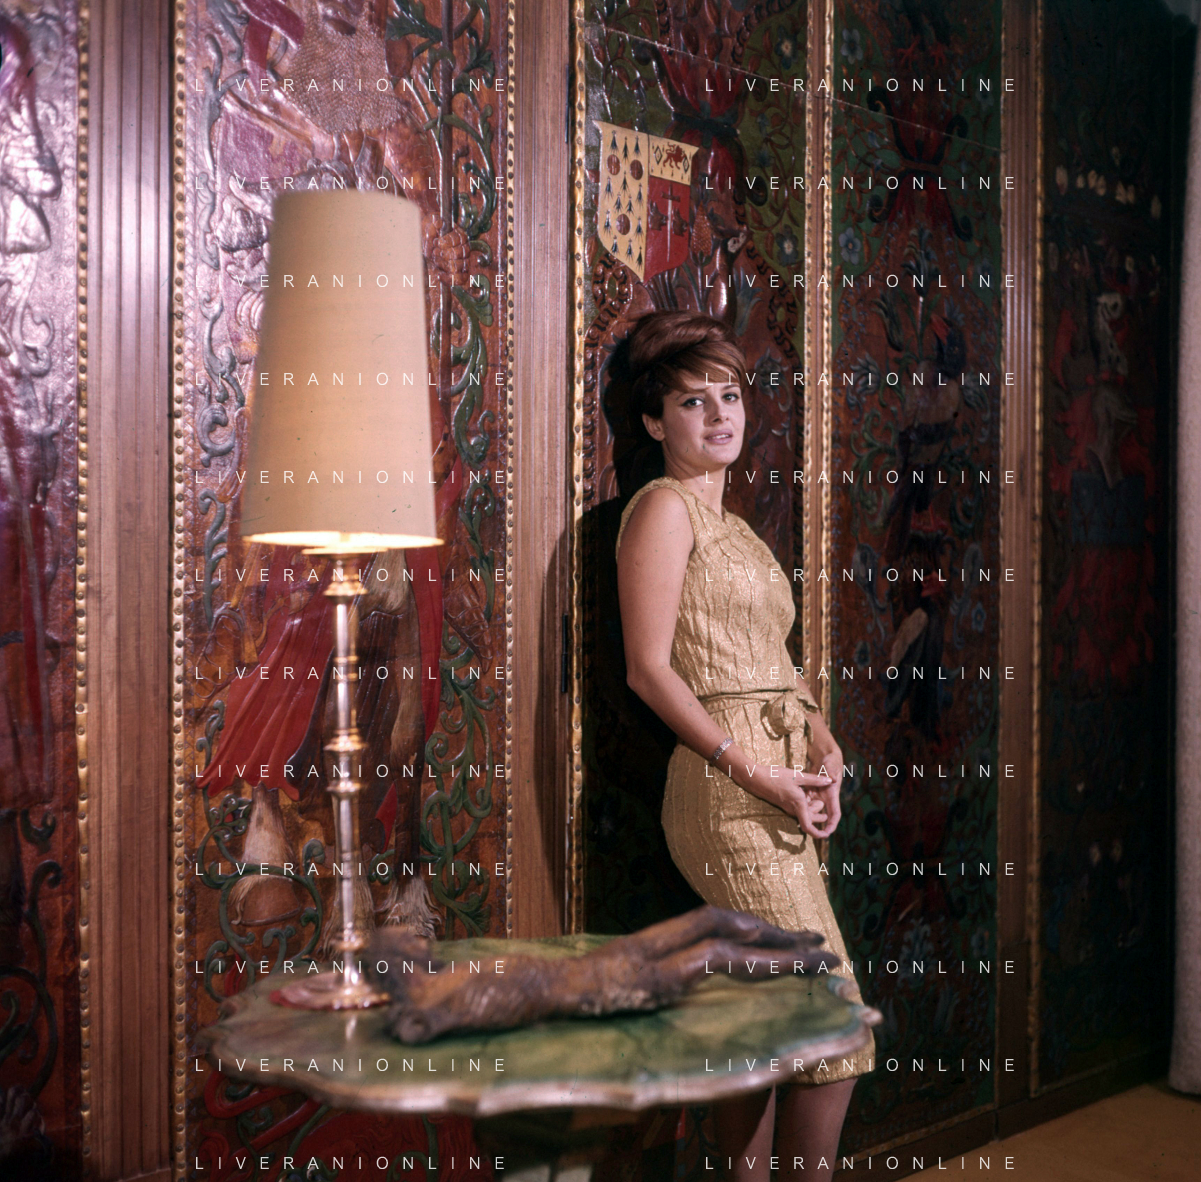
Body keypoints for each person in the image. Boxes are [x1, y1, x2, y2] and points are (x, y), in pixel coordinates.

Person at [614, 310, 874, 1178]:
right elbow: (649, 670)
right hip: (723, 790)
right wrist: (750, 768)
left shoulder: (740, 529)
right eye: (693, 401)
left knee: (759, 1026)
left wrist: (822, 744)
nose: (719, 414)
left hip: (781, 782)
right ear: (655, 422)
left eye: (728, 395)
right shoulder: (662, 510)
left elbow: (776, 662)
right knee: (833, 1024)